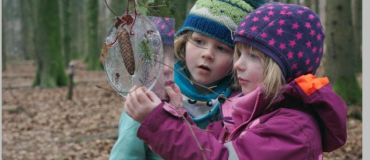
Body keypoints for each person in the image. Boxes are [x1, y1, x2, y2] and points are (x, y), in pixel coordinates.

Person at [124, 2, 347, 160]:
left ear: (283, 67)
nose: (238, 65)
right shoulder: (259, 111)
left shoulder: (292, 128)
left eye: (253, 56)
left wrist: (159, 123)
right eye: (239, 53)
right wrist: (176, 114)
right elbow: (215, 146)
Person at [109, 0, 266, 159]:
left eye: (222, 48)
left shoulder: (242, 105)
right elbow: (126, 153)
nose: (207, 54)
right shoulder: (153, 91)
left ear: (237, 58)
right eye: (199, 41)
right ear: (183, 42)